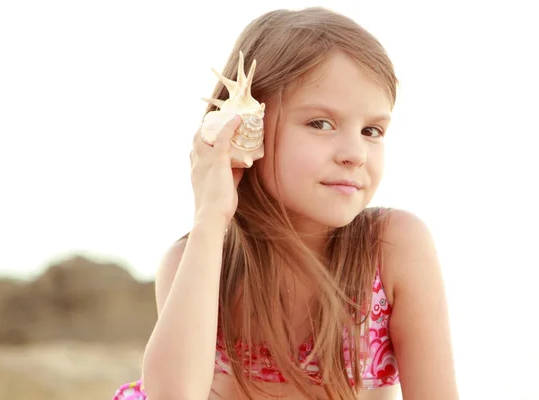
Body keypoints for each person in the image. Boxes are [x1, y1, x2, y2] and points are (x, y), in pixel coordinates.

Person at [113, 6, 458, 400]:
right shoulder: (195, 261)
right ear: (247, 126)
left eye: (371, 130)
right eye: (320, 123)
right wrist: (210, 216)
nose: (355, 153)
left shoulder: (391, 246)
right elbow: (171, 396)